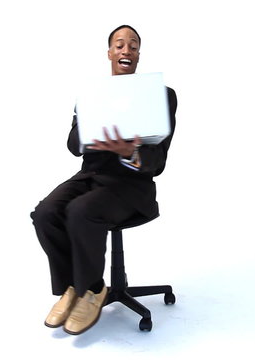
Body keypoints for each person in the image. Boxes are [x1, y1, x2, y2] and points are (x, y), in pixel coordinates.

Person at [30, 25, 178, 335]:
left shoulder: (161, 96)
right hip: (90, 175)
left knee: (81, 212)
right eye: (120, 45)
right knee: (45, 213)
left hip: (131, 186)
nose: (126, 50)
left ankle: (93, 289)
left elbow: (158, 160)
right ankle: (73, 286)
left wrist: (130, 150)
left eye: (133, 46)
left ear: (138, 55)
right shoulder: (91, 94)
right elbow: (73, 145)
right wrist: (91, 129)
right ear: (109, 53)